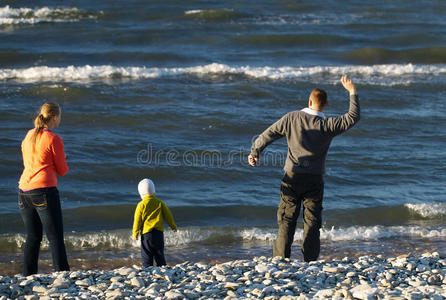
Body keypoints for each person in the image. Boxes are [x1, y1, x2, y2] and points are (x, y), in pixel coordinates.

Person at [248, 75, 360, 262]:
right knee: (312, 222)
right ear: (325, 105)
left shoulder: (292, 117)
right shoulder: (328, 125)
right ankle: (310, 260)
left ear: (309, 101)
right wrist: (352, 92)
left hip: (292, 176)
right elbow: (353, 117)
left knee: (286, 220)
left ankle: (281, 260)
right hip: (314, 179)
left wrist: (255, 151)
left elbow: (269, 134)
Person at [18, 102, 70, 275]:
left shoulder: (28, 135)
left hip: (23, 191)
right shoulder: (53, 138)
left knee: (33, 237)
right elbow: (62, 171)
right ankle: (62, 274)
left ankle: (27, 275)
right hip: (44, 191)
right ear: (55, 117)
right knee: (55, 238)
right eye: (60, 116)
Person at [132, 178, 177, 267]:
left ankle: (147, 270)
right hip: (159, 234)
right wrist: (173, 226)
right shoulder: (160, 203)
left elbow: (137, 221)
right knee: (159, 254)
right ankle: (162, 268)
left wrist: (135, 233)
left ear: (141, 193)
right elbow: (168, 215)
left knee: (147, 255)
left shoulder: (141, 205)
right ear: (154, 191)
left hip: (147, 235)